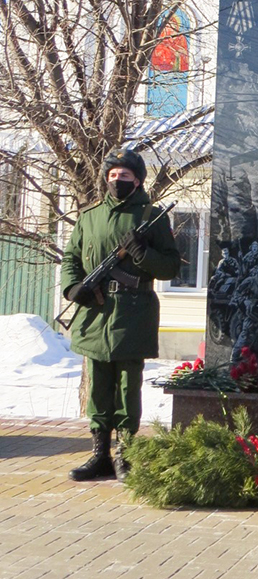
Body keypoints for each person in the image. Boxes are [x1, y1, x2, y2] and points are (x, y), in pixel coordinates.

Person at [61, 147, 181, 482]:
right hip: (95, 313)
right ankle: (99, 453)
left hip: (133, 312)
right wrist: (73, 289)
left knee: (128, 386)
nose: (117, 180)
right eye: (112, 175)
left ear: (138, 179)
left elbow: (171, 266)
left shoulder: (151, 217)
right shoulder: (90, 216)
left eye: (124, 175)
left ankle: (125, 454)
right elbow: (71, 258)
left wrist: (142, 253)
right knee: (99, 385)